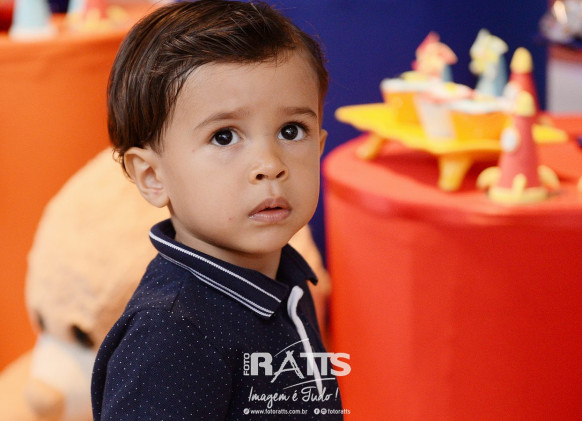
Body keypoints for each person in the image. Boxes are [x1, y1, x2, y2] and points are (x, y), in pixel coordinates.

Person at [91, 1, 346, 419]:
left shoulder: (286, 276)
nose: (270, 165)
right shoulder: (170, 335)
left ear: (318, 146)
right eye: (224, 136)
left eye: (290, 131)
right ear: (153, 176)